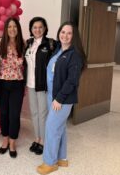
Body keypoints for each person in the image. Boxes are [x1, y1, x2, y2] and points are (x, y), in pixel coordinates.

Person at [37, 21, 87, 174]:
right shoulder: (58, 50)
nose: (65, 35)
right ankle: (62, 158)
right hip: (52, 95)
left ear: (74, 36)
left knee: (51, 127)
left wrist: (59, 99)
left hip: (62, 99)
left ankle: (50, 162)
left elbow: (72, 80)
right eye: (63, 32)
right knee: (60, 128)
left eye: (69, 33)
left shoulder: (74, 55)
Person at [24, 17, 56, 155]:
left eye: (40, 27)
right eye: (34, 27)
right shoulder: (28, 43)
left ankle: (43, 140)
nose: (37, 30)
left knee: (43, 114)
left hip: (42, 85)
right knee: (34, 113)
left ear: (44, 28)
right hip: (30, 84)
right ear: (31, 29)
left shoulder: (50, 44)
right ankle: (37, 138)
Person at [0, 17, 25, 158]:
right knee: (4, 114)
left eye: (14, 26)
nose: (12, 29)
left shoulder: (23, 45)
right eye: (9, 27)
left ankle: (13, 142)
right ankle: (5, 139)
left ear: (18, 29)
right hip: (2, 84)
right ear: (6, 29)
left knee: (14, 114)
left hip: (17, 84)